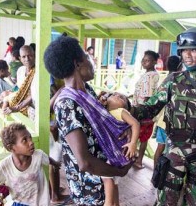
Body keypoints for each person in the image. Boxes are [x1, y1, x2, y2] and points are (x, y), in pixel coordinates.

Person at [131, 27, 196, 205]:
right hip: (174, 153)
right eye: (184, 51)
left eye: (194, 50)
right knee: (166, 201)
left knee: (194, 202)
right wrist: (126, 108)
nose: (188, 56)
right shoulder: (173, 81)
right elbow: (149, 109)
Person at [43, 36, 132, 205]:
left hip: (106, 175)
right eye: (88, 57)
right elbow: (84, 163)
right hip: (89, 189)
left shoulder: (87, 91)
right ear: (77, 63)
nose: (92, 63)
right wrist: (119, 172)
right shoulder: (67, 104)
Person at [0, 123, 60, 206]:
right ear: (11, 148)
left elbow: (49, 160)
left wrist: (55, 164)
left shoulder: (38, 156)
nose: (31, 142)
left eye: (30, 138)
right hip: (19, 203)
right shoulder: (5, 166)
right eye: (24, 140)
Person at [99, 91, 140, 205]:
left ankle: (108, 203)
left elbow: (135, 124)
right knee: (114, 181)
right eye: (113, 95)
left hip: (116, 152)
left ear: (125, 106)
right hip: (115, 152)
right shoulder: (106, 112)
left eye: (122, 97)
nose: (117, 95)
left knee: (107, 178)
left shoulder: (121, 112)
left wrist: (133, 143)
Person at [132, 50, 160, 169]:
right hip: (147, 112)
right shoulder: (151, 74)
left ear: (154, 62)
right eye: (143, 59)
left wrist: (141, 114)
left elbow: (147, 96)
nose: (144, 62)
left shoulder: (150, 76)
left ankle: (135, 159)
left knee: (136, 135)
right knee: (143, 138)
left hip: (142, 112)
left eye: (147, 60)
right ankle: (138, 160)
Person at [2, 45, 36, 117]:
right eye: (24, 57)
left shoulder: (38, 72)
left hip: (32, 106)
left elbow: (33, 95)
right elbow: (19, 89)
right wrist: (7, 99)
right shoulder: (20, 70)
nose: (27, 59)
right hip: (20, 104)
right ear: (20, 58)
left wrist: (17, 107)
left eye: (30, 56)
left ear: (34, 56)